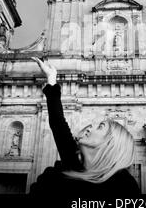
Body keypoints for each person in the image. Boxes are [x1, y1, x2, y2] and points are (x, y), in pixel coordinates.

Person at [29, 57, 140, 196]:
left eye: (100, 127)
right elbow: (58, 124)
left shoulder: (123, 186)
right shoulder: (74, 163)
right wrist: (51, 78)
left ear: (111, 143)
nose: (89, 127)